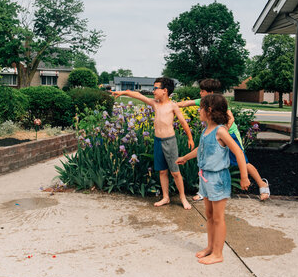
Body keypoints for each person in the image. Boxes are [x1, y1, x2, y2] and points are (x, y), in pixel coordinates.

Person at [176, 94, 250, 264]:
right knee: (209, 215)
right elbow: (201, 149)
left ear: (209, 110)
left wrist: (244, 177)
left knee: (218, 217)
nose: (198, 111)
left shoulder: (221, 131)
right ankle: (210, 247)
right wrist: (186, 157)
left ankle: (218, 253)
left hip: (218, 179)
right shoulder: (206, 130)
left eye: (200, 108)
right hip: (206, 177)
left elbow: (238, 152)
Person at [176, 78, 270, 201]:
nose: (200, 93)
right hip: (215, 134)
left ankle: (262, 185)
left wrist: (222, 131)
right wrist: (166, 104)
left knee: (244, 163)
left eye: (202, 91)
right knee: (206, 160)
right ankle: (203, 191)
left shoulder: (219, 104)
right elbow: (184, 104)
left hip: (230, 135)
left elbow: (231, 119)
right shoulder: (203, 102)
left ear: (210, 93)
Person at [113, 77, 195, 209]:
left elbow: (183, 122)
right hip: (158, 141)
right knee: (162, 171)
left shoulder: (172, 106)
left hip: (170, 142)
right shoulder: (154, 103)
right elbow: (138, 95)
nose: (153, 91)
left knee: (175, 172)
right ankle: (165, 197)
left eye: (156, 88)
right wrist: (123, 92)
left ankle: (183, 198)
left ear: (165, 91)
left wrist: (190, 138)